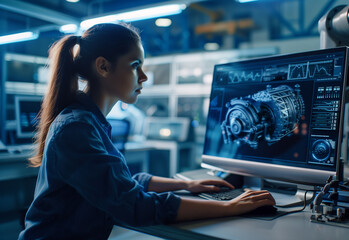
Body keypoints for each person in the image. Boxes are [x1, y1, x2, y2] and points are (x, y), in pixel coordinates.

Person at [18, 23, 275, 239]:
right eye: (135, 65)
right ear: (103, 67)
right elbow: (133, 205)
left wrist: (189, 184)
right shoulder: (76, 128)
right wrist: (229, 208)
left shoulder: (90, 122)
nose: (144, 77)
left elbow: (125, 184)